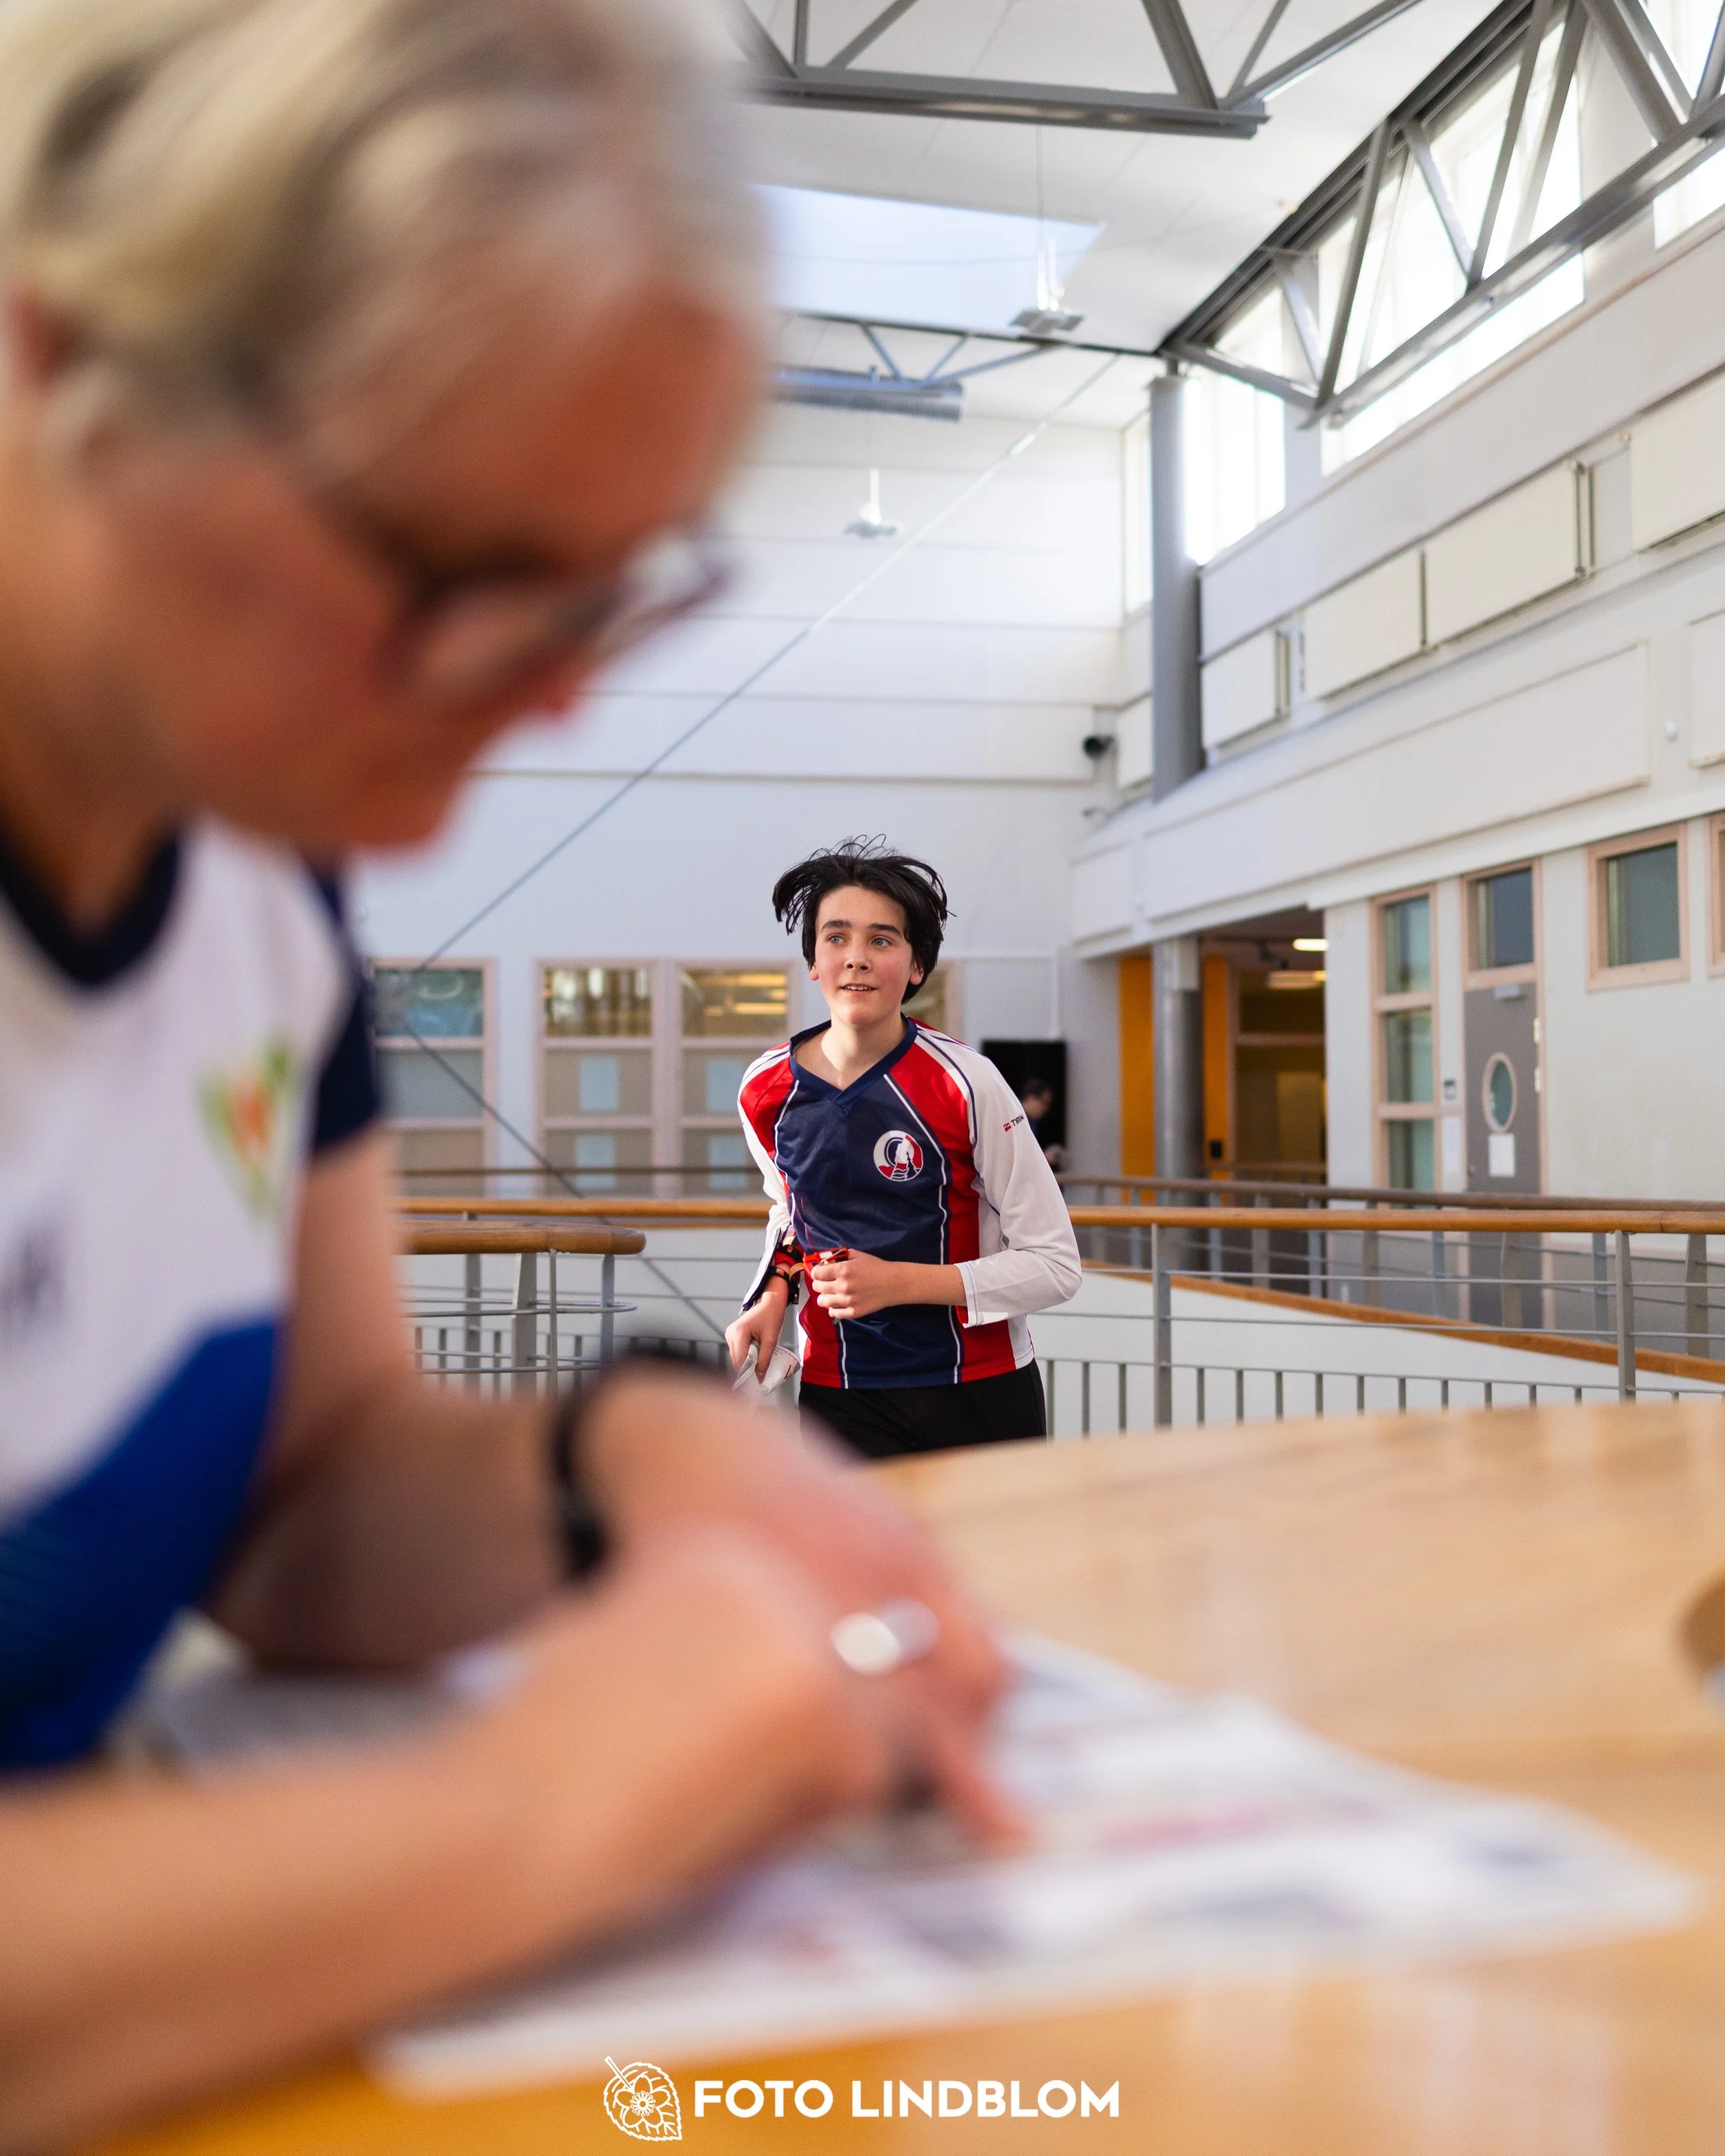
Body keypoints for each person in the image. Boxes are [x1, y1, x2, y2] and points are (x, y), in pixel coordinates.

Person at [0, 6, 1012, 2148]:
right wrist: (540, 1808)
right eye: (461, 573)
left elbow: (310, 1487)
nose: (548, 697)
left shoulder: (250, 867)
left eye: (611, 588)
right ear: (57, 361)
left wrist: (622, 1458)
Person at [726, 840, 1082, 1458]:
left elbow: (1055, 1266)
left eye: (882, 941)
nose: (856, 958)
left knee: (995, 1561)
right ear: (813, 958)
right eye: (836, 937)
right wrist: (771, 1295)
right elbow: (792, 1214)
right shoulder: (765, 1089)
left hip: (982, 1389)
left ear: (917, 966)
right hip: (840, 1392)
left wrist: (896, 1283)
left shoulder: (967, 1082)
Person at [1019, 1078, 1070, 1172]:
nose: (1046, 1109)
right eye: (1045, 1103)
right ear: (1031, 1098)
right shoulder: (1016, 1118)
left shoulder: (1032, 1122)